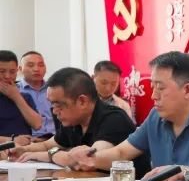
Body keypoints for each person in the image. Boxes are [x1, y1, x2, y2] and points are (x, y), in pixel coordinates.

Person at [70, 51, 189, 181]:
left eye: (160, 88)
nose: (153, 96)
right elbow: (122, 153)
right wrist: (90, 158)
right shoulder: (156, 117)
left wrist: (183, 173)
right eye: (152, 87)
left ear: (187, 90)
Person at [10, 67, 149, 175]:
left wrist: (50, 154)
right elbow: (47, 145)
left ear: (82, 101)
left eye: (59, 105)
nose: (54, 111)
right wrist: (23, 150)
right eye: (52, 104)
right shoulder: (73, 120)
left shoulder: (114, 119)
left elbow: (85, 161)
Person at [0, 50, 41, 141]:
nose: (7, 76)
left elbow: (37, 125)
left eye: (12, 72)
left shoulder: (25, 96)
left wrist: (16, 97)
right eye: (2, 71)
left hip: (25, 147)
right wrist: (12, 140)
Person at [17, 51, 56, 139]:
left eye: (41, 65)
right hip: (29, 140)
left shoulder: (54, 89)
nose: (36, 69)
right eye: (31, 65)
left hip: (56, 138)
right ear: (20, 69)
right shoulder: (15, 92)